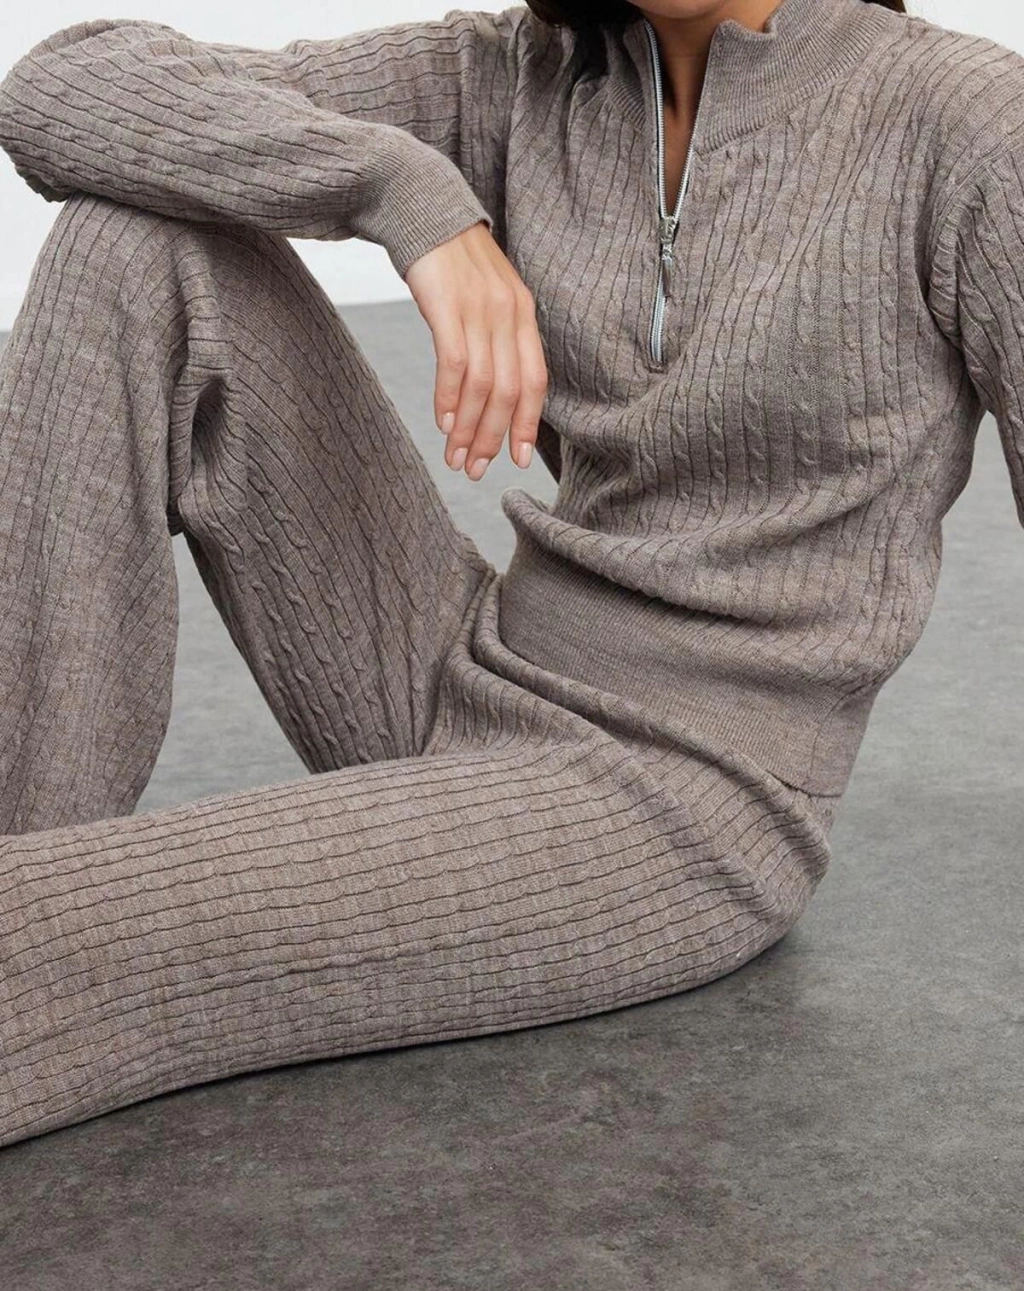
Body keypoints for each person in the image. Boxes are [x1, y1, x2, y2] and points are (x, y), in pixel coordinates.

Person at [0, 0, 1017, 1148]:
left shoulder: (965, 125)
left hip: (678, 796)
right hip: (461, 664)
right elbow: (61, 87)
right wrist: (407, 197)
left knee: (32, 939)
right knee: (132, 240)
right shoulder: (517, 78)